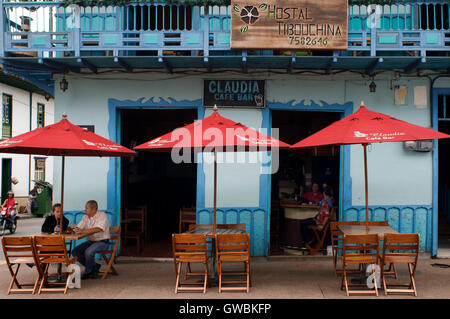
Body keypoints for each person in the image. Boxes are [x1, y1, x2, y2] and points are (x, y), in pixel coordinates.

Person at [71, 200, 110, 280]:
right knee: (75, 252)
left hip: (102, 242)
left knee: (88, 252)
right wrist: (75, 228)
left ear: (93, 209)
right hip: (91, 242)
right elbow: (79, 228)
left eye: (86, 208)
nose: (85, 209)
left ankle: (88, 272)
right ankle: (94, 266)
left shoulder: (102, 215)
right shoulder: (85, 217)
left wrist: (82, 231)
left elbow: (98, 229)